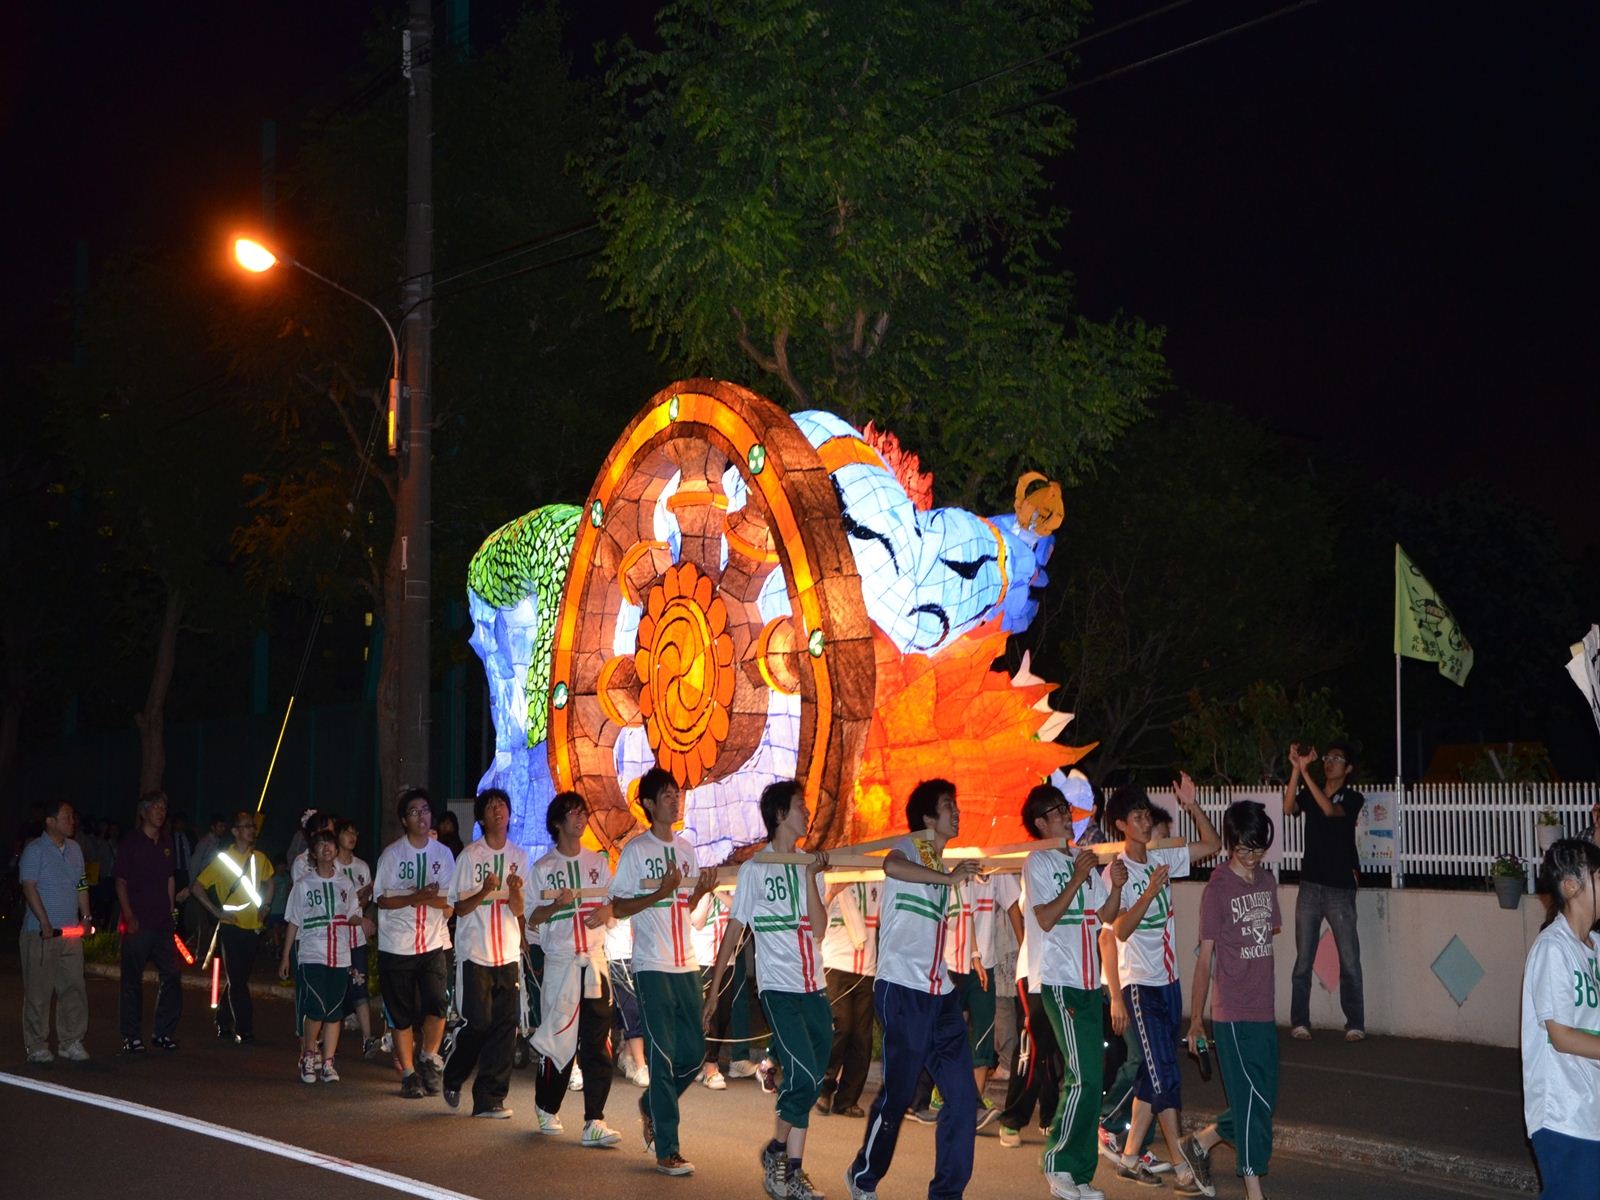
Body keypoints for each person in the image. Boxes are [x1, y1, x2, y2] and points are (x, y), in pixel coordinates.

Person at [845, 779, 985, 1200]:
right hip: (902, 988)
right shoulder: (911, 847)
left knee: (963, 1099)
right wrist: (947, 878)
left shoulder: (941, 864)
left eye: (956, 805)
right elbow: (891, 866)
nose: (956, 812)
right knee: (899, 1094)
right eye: (947, 805)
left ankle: (947, 1194)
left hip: (940, 993)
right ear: (927, 818)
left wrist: (948, 876)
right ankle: (863, 1176)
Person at [706, 781, 832, 1200]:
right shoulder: (755, 869)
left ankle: (785, 1161)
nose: (807, 812)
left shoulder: (807, 863)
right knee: (805, 1075)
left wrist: (811, 877)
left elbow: (818, 929)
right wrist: (714, 990)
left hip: (815, 987)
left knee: (810, 1080)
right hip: (779, 989)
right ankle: (782, 1160)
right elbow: (734, 931)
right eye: (800, 806)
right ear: (780, 815)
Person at [1104, 774, 1221, 1195]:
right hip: (1140, 986)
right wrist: (1149, 893)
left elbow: (1213, 845)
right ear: (1121, 825)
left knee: (1152, 1074)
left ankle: (1130, 1155)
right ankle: (1183, 1164)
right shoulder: (1116, 872)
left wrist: (1192, 805)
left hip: (1169, 982)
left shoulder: (1162, 857)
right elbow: (1117, 930)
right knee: (1166, 1075)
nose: (1144, 820)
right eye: (1136, 816)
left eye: (1146, 814)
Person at [1013, 783, 1126, 1200]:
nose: (1066, 815)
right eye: (1058, 810)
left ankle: (1079, 1171)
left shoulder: (1081, 858)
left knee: (1092, 1079)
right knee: (1081, 1076)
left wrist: (1115, 885)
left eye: (1066, 808)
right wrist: (1079, 876)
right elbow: (1044, 918)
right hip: (1060, 980)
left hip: (1088, 981)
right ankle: (1057, 1162)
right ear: (1041, 822)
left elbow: (1104, 916)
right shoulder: (1038, 861)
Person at [609, 766, 721, 1176]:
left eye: (678, 794)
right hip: (652, 966)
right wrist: (660, 891)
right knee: (663, 1055)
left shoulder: (687, 849)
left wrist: (699, 892)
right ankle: (667, 1150)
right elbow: (618, 907)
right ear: (649, 804)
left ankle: (651, 1104)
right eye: (667, 795)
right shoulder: (637, 851)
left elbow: (681, 908)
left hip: (686, 963)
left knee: (694, 1053)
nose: (676, 800)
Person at [1184, 801, 1283, 1200]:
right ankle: (1253, 1191)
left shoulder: (1267, 882)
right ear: (1231, 844)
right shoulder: (1217, 890)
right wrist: (1196, 1020)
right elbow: (1204, 958)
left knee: (1262, 1100)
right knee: (1249, 1102)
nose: (1252, 857)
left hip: (1264, 1008)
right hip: (1232, 1012)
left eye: (1258, 849)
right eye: (1244, 849)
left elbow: (1266, 935)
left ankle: (1201, 1142)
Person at [525, 790, 624, 1148]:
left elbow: (613, 904)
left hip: (594, 963)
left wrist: (608, 911)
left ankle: (594, 1119)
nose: (581, 819)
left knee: (598, 1043)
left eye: (583, 812)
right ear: (557, 822)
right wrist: (556, 906)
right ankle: (546, 1105)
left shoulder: (597, 862)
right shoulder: (543, 869)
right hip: (562, 963)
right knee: (559, 1040)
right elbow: (531, 918)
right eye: (573, 813)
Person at [442, 787, 529, 1119]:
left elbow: (519, 910)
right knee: (478, 1023)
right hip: (475, 953)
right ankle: (453, 1074)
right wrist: (485, 890)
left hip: (507, 953)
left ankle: (489, 1098)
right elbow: (460, 908)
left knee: (505, 1026)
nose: (498, 811)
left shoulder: (519, 857)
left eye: (502, 805)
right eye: (491, 807)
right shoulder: (470, 857)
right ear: (481, 818)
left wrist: (515, 892)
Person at [1521, 839, 1600, 1199]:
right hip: (1563, 1114)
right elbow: (1562, 1035)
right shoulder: (1553, 948)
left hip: (1590, 1111)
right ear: (1570, 886)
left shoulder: (1595, 948)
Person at [374, 787, 456, 1099]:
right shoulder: (392, 855)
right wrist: (417, 897)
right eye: (413, 812)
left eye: (425, 810)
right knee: (402, 1013)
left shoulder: (443, 854)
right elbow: (383, 899)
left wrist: (422, 898)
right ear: (403, 821)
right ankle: (409, 1074)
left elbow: (449, 900)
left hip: (433, 943)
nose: (421, 816)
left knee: (437, 1004)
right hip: (397, 945)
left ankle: (428, 1058)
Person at [1283, 741, 1366, 1040]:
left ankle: (1355, 1022)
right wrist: (1296, 769)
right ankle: (1299, 1021)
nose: (1330, 762)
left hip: (1340, 889)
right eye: (1328, 758)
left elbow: (1329, 810)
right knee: (1303, 959)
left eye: (1337, 759)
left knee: (1349, 960)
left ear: (1348, 768)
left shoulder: (1353, 798)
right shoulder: (1310, 791)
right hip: (1309, 885)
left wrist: (1306, 774)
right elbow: (1288, 807)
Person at [278, 828, 370, 1082]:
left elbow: (352, 914)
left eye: (330, 844)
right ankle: (309, 1054)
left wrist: (363, 922)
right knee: (316, 1007)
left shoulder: (345, 883)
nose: (326, 848)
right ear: (313, 853)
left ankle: (328, 1062)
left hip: (340, 955)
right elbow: (293, 922)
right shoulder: (303, 884)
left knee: (334, 1011)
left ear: (336, 850)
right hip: (312, 954)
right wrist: (286, 957)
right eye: (320, 844)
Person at [190, 811, 275, 1044]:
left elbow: (270, 883)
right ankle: (244, 1029)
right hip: (231, 926)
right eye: (246, 826)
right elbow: (197, 887)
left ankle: (222, 1018)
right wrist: (217, 912)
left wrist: (266, 906)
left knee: (238, 977)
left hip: (253, 927)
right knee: (238, 981)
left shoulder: (260, 858)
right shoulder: (223, 860)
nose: (252, 830)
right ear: (235, 831)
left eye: (252, 826)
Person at [19, 799, 93, 1063]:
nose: (72, 821)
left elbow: (81, 885)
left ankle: (71, 1041)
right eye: (66, 817)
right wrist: (44, 921)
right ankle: (36, 1045)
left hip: (70, 933)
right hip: (41, 934)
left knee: (74, 987)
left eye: (73, 817)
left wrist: (86, 917)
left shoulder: (75, 849)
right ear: (50, 821)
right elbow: (29, 887)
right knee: (39, 991)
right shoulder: (35, 850)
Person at [115, 790, 183, 1053]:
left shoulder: (166, 843)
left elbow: (170, 879)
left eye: (164, 808)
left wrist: (171, 911)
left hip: (162, 923)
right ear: (144, 812)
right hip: (138, 923)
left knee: (172, 975)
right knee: (132, 980)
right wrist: (129, 915)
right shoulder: (131, 843)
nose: (161, 812)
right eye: (155, 807)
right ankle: (131, 1035)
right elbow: (121, 882)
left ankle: (163, 1032)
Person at [817, 874, 881, 1118]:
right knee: (840, 1027)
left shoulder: (878, 879)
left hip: (867, 968)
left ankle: (847, 1100)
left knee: (862, 1038)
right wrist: (832, 892)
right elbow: (812, 917)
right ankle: (824, 1086)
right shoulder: (832, 874)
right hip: (836, 963)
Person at [334, 818, 379, 1055]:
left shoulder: (362, 867)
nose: (352, 837)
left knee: (360, 983)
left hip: (357, 936)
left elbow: (365, 900)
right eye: (346, 832)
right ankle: (323, 1037)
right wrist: (355, 899)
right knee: (334, 985)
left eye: (355, 833)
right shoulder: (331, 866)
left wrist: (363, 896)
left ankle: (368, 1038)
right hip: (335, 937)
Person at [606, 915, 650, 1087]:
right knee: (632, 1010)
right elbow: (609, 921)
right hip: (619, 954)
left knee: (644, 1009)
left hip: (644, 953)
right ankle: (640, 1065)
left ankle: (628, 1053)